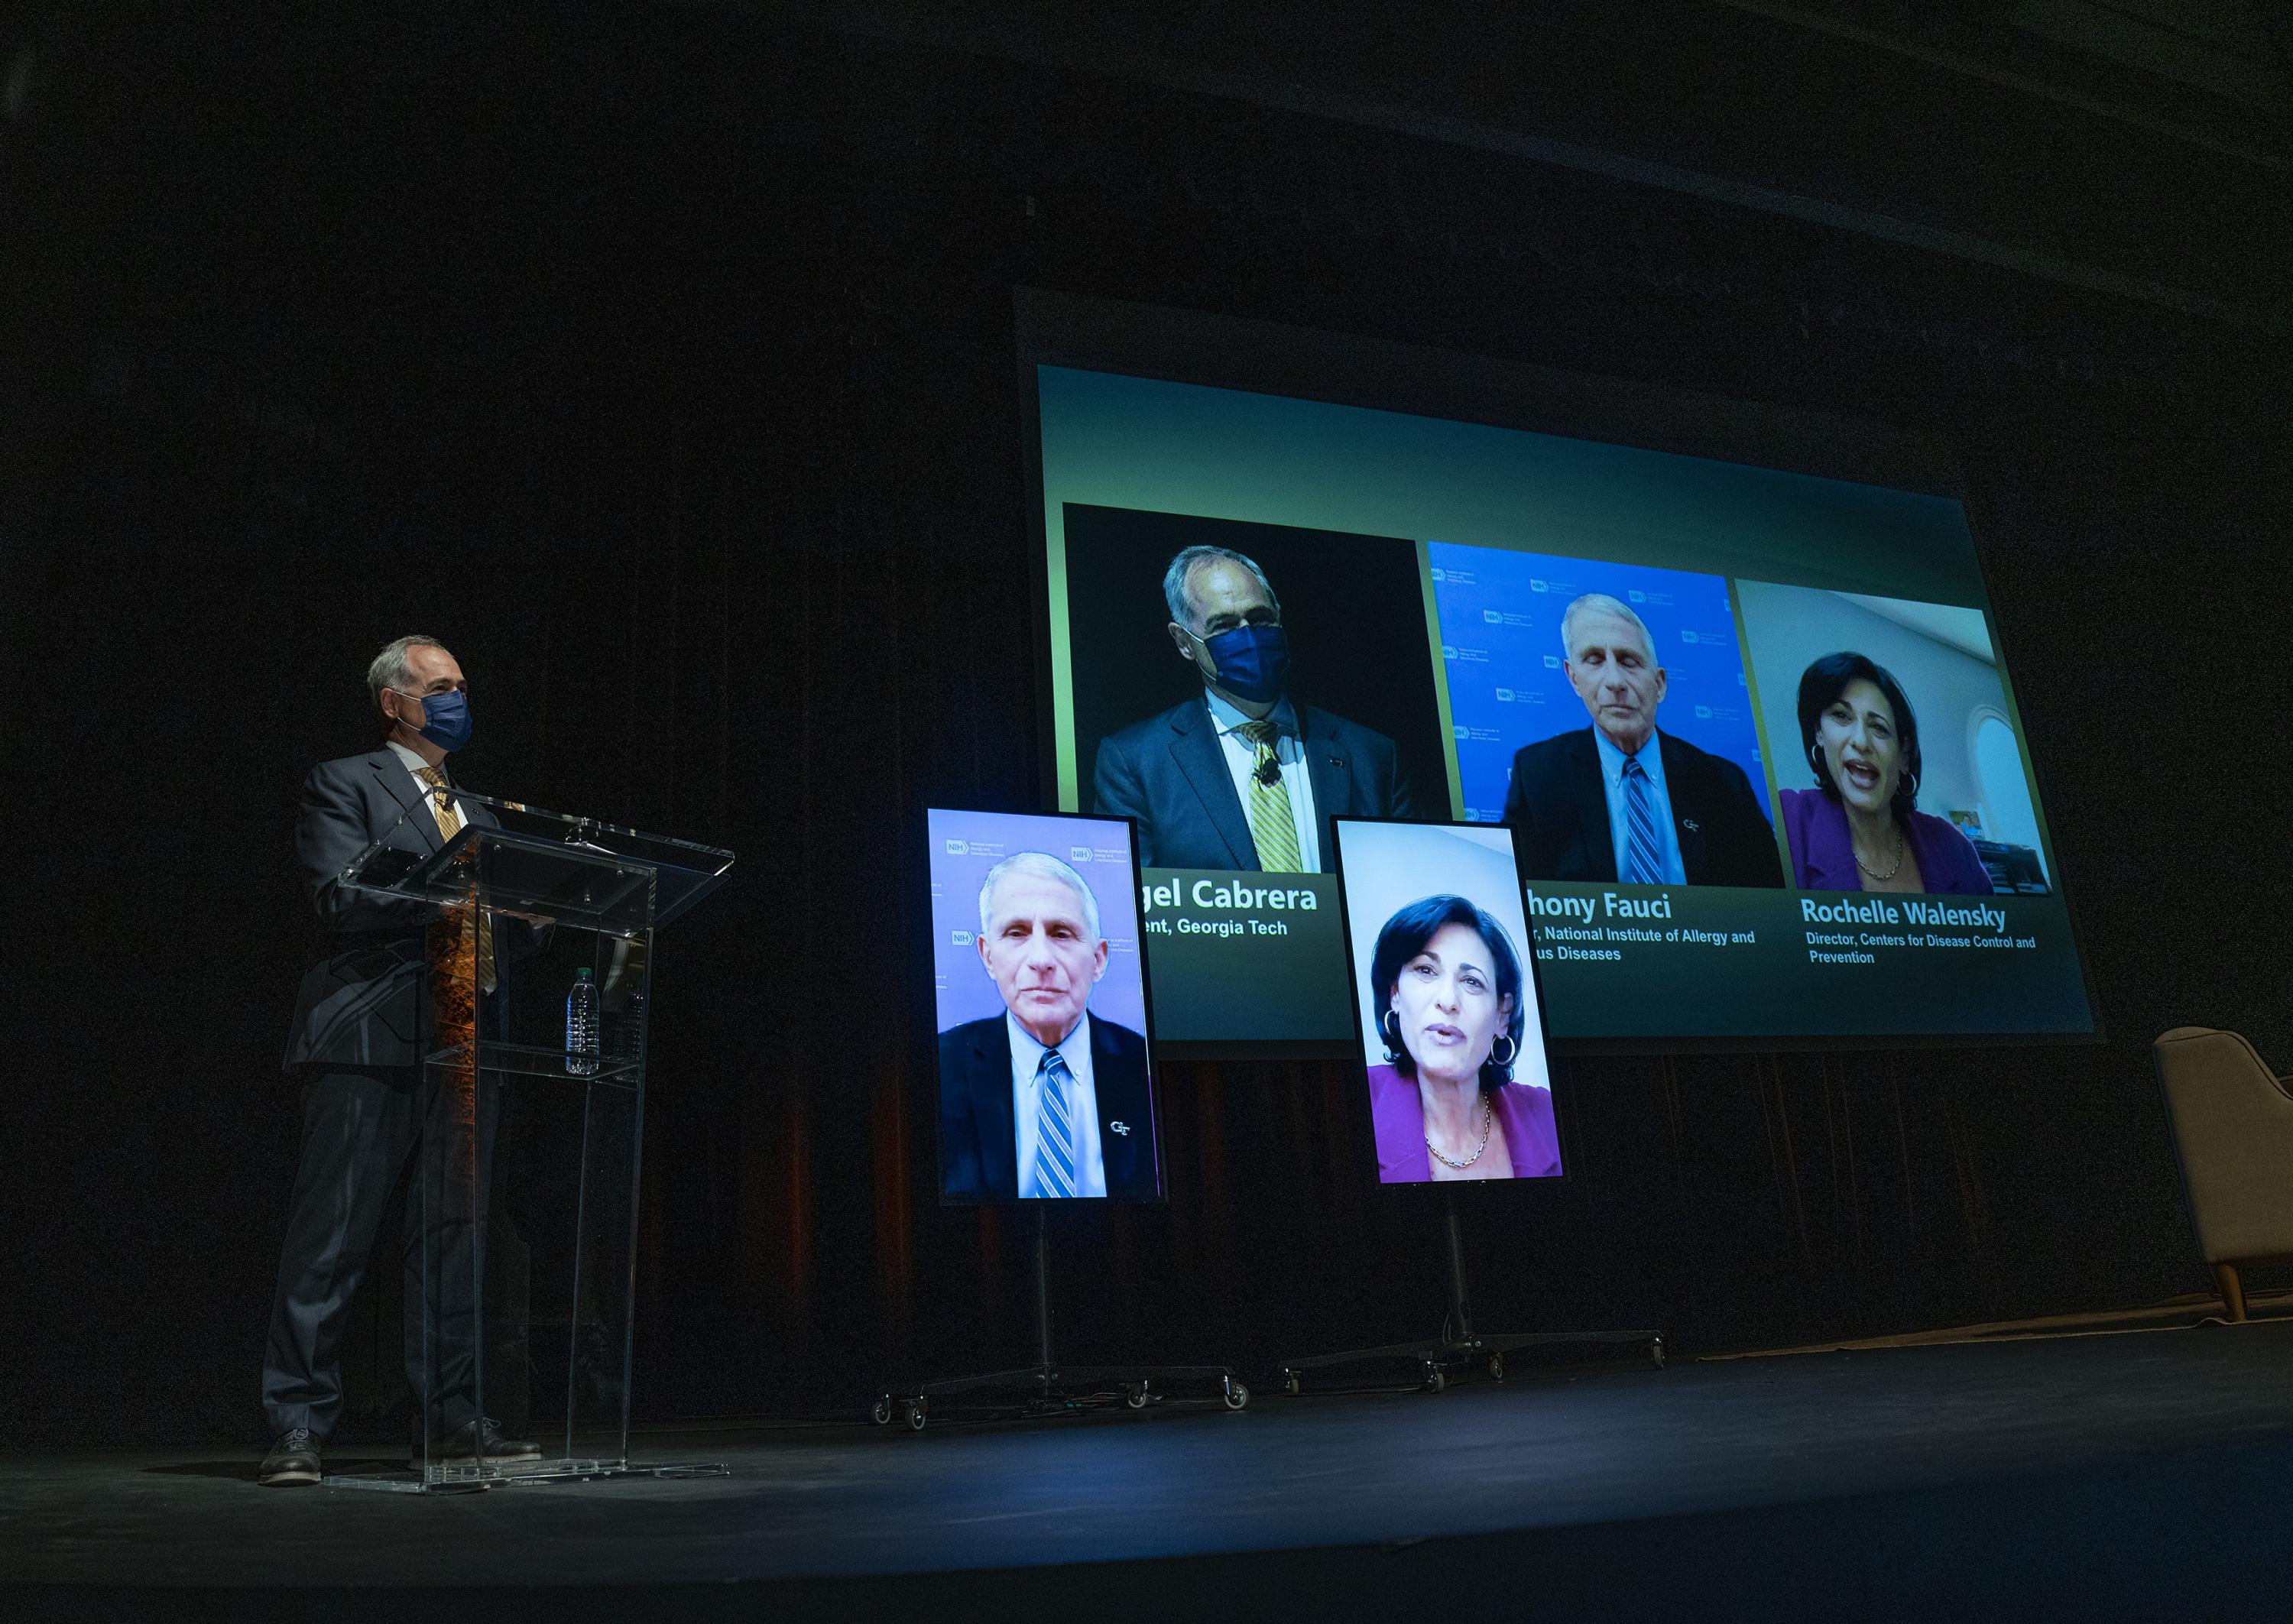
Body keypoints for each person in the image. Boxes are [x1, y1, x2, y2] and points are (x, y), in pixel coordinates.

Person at [258, 636, 538, 1487]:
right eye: (440, 686)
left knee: (454, 1240)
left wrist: (535, 919)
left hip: (462, 1041)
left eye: (462, 684)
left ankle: (448, 1420)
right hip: (367, 1036)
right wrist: (453, 892)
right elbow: (338, 893)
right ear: (395, 701)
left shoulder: (479, 812)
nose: (457, 699)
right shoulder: (344, 781)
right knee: (332, 1238)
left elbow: (496, 927)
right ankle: (298, 1423)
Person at [1092, 545, 1413, 872]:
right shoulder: (1137, 762)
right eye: (1224, 626)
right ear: (1185, 642)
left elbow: (1403, 885)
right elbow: (1133, 897)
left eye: (1261, 619)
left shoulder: (1371, 756)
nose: (1248, 636)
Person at [1503, 593, 1783, 888]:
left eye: (1629, 661)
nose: (1615, 681)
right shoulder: (1537, 776)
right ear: (1574, 679)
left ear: (1659, 684)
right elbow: (1517, 895)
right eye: (1595, 660)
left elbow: (1770, 902)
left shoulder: (1724, 783)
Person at [939, 852, 1159, 1200]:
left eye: (1061, 933)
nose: (1041, 960)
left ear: (1099, 959)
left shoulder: (1143, 1064)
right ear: (987, 956)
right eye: (1016, 933)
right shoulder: (942, 1063)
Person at [1362, 894, 1561, 1183]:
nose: (1448, 1001)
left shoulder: (1547, 1113)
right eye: (1425, 970)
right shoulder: (1357, 1098)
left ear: (1502, 1016)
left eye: (1472, 982)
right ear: (1395, 994)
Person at [1779, 652, 1994, 896]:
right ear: (1818, 732)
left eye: (1879, 728)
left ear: (1903, 755)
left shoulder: (1954, 847)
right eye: (1841, 716)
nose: (1861, 741)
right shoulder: (1786, 819)